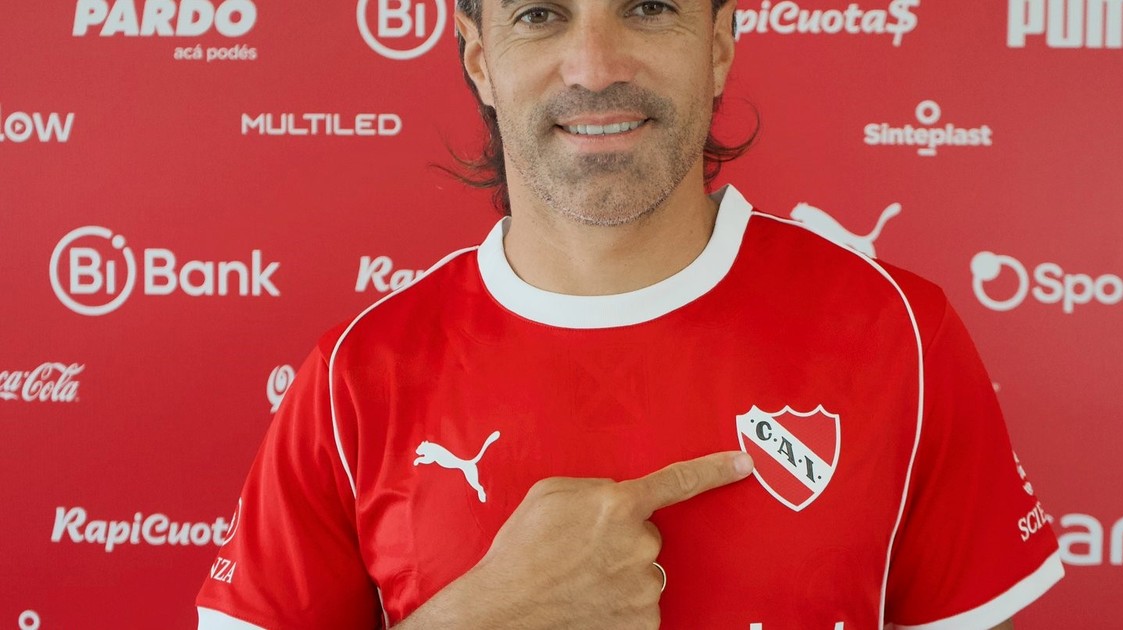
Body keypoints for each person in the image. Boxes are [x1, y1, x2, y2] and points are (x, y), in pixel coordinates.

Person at [196, 0, 1064, 626]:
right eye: (541, 15)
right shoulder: (356, 375)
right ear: (479, 58)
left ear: (718, 45)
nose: (595, 66)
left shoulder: (900, 333)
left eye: (647, 8)